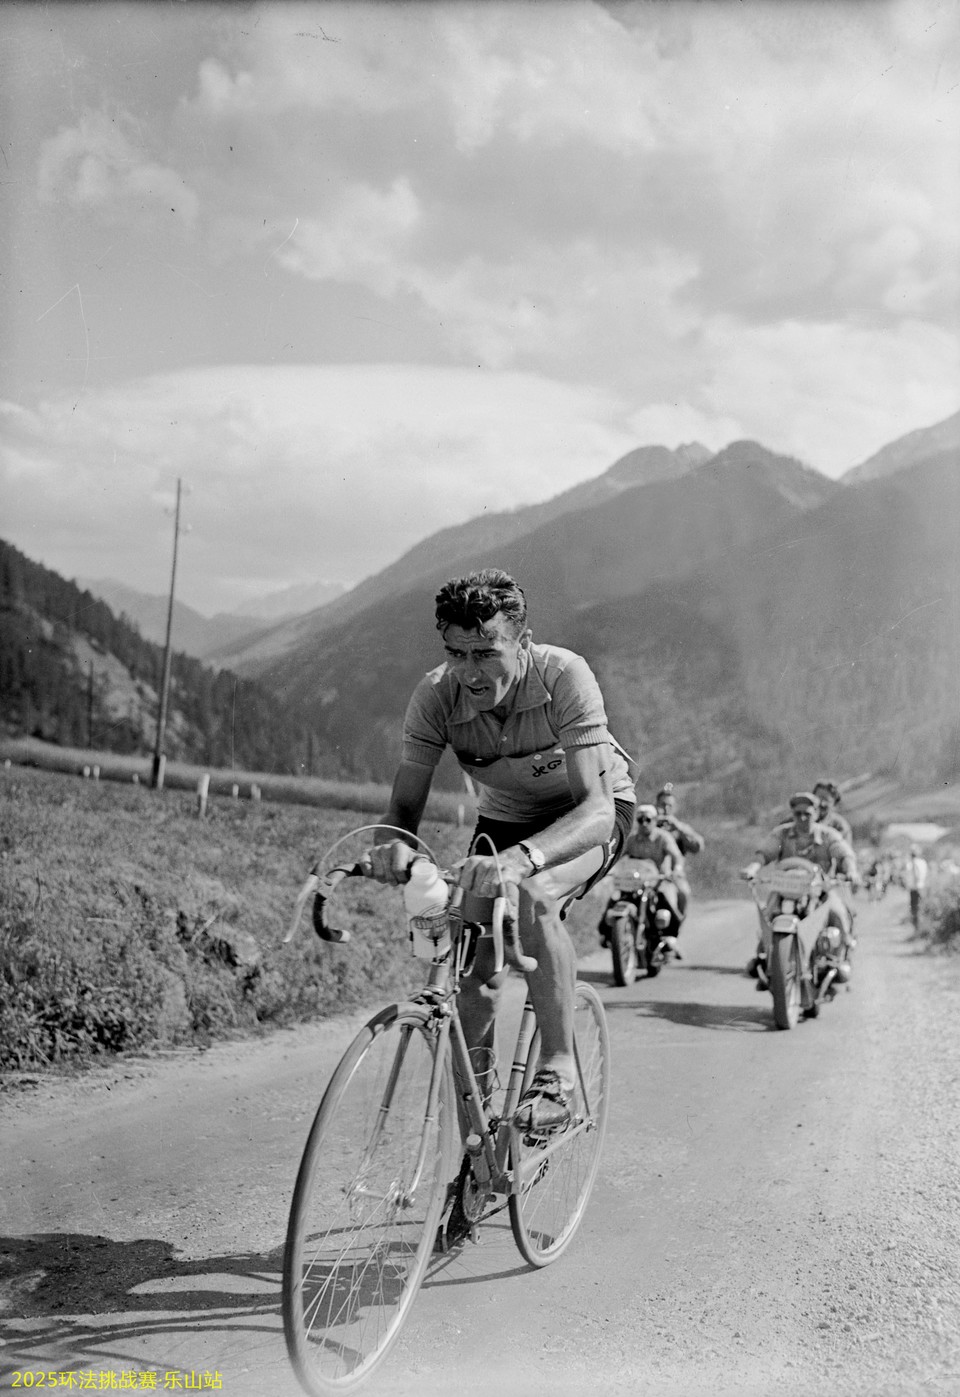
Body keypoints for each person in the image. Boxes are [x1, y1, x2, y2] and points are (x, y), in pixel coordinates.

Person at [364, 569, 636, 1142]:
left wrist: (522, 861)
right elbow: (402, 810)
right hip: (506, 817)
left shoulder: (564, 675)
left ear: (523, 641)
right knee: (472, 967)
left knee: (532, 895)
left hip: (586, 817)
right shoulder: (436, 694)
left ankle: (558, 1072)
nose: (470, 672)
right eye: (456, 653)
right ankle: (478, 1139)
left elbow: (597, 808)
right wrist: (390, 847)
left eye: (486, 652)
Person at [741, 791, 860, 983]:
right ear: (793, 814)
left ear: (816, 813)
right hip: (786, 889)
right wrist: (753, 868)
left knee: (838, 914)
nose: (803, 818)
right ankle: (763, 958)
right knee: (768, 915)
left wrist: (851, 871)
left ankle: (837, 959)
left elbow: (845, 854)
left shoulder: (828, 835)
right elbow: (765, 853)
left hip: (820, 890)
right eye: (798, 814)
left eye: (808, 813)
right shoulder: (782, 833)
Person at [655, 782, 704, 923]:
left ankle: (675, 927)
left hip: (673, 874)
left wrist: (678, 828)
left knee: (683, 893)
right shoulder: (648, 825)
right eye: (662, 804)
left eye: (669, 806)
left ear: (674, 808)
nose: (665, 809)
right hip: (650, 872)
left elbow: (697, 846)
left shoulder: (679, 828)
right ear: (656, 805)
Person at [812, 779, 854, 844]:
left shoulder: (840, 826)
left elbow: (845, 852)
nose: (822, 803)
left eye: (826, 800)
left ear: (834, 804)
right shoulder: (799, 819)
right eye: (819, 798)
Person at [904, 844, 929, 931]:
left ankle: (918, 928)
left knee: (915, 908)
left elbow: (916, 875)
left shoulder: (912, 863)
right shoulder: (923, 862)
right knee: (919, 908)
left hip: (916, 888)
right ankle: (919, 928)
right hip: (920, 887)